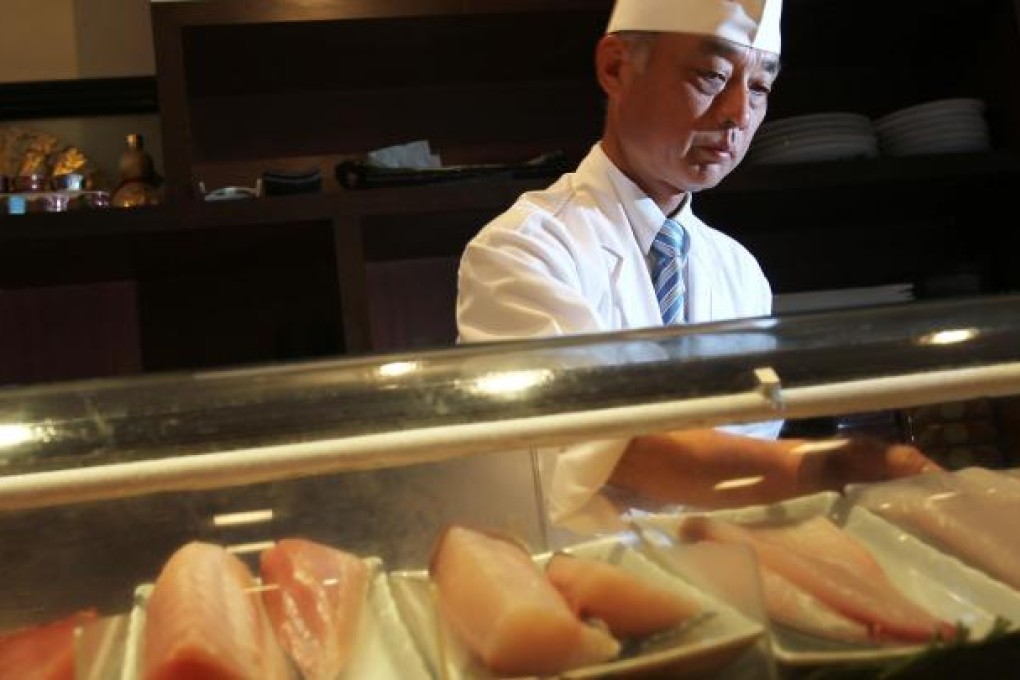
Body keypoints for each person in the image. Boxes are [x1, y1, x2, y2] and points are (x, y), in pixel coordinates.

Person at [456, 0, 939, 530]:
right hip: (567, 577)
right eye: (712, 75)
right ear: (616, 67)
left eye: (759, 89)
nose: (738, 114)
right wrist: (836, 467)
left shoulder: (739, 270)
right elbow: (602, 450)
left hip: (715, 568)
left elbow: (744, 455)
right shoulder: (524, 249)